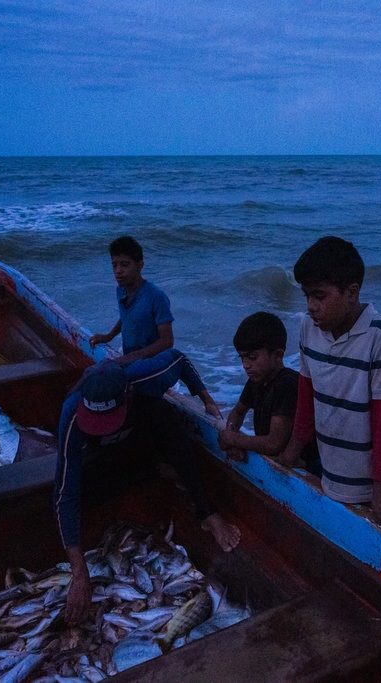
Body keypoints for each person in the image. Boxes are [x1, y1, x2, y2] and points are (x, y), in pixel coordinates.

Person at [54, 351, 241, 624]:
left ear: (127, 393)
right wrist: (80, 573)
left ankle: (207, 514)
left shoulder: (144, 375)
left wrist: (208, 401)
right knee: (84, 486)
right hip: (102, 453)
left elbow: (179, 360)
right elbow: (64, 494)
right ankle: (153, 470)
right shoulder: (71, 415)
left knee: (169, 421)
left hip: (138, 430)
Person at [278, 236, 381, 530]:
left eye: (320, 296)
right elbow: (307, 396)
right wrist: (291, 452)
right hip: (332, 476)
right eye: (306, 296)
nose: (311, 306)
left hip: (379, 489)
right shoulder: (308, 327)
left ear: (351, 293)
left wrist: (380, 504)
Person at [217, 311, 321, 476]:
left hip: (306, 466)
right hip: (279, 459)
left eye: (252, 357)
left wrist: (232, 439)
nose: (246, 365)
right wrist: (232, 434)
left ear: (278, 355)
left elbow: (274, 443)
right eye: (242, 358)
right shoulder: (257, 379)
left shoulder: (287, 385)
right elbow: (238, 411)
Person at [89, 235, 174, 366]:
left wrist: (136, 355)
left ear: (140, 265)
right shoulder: (121, 290)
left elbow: (167, 341)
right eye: (114, 265)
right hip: (131, 359)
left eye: (124, 265)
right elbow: (126, 317)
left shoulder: (156, 297)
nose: (118, 271)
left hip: (153, 364)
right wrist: (109, 336)